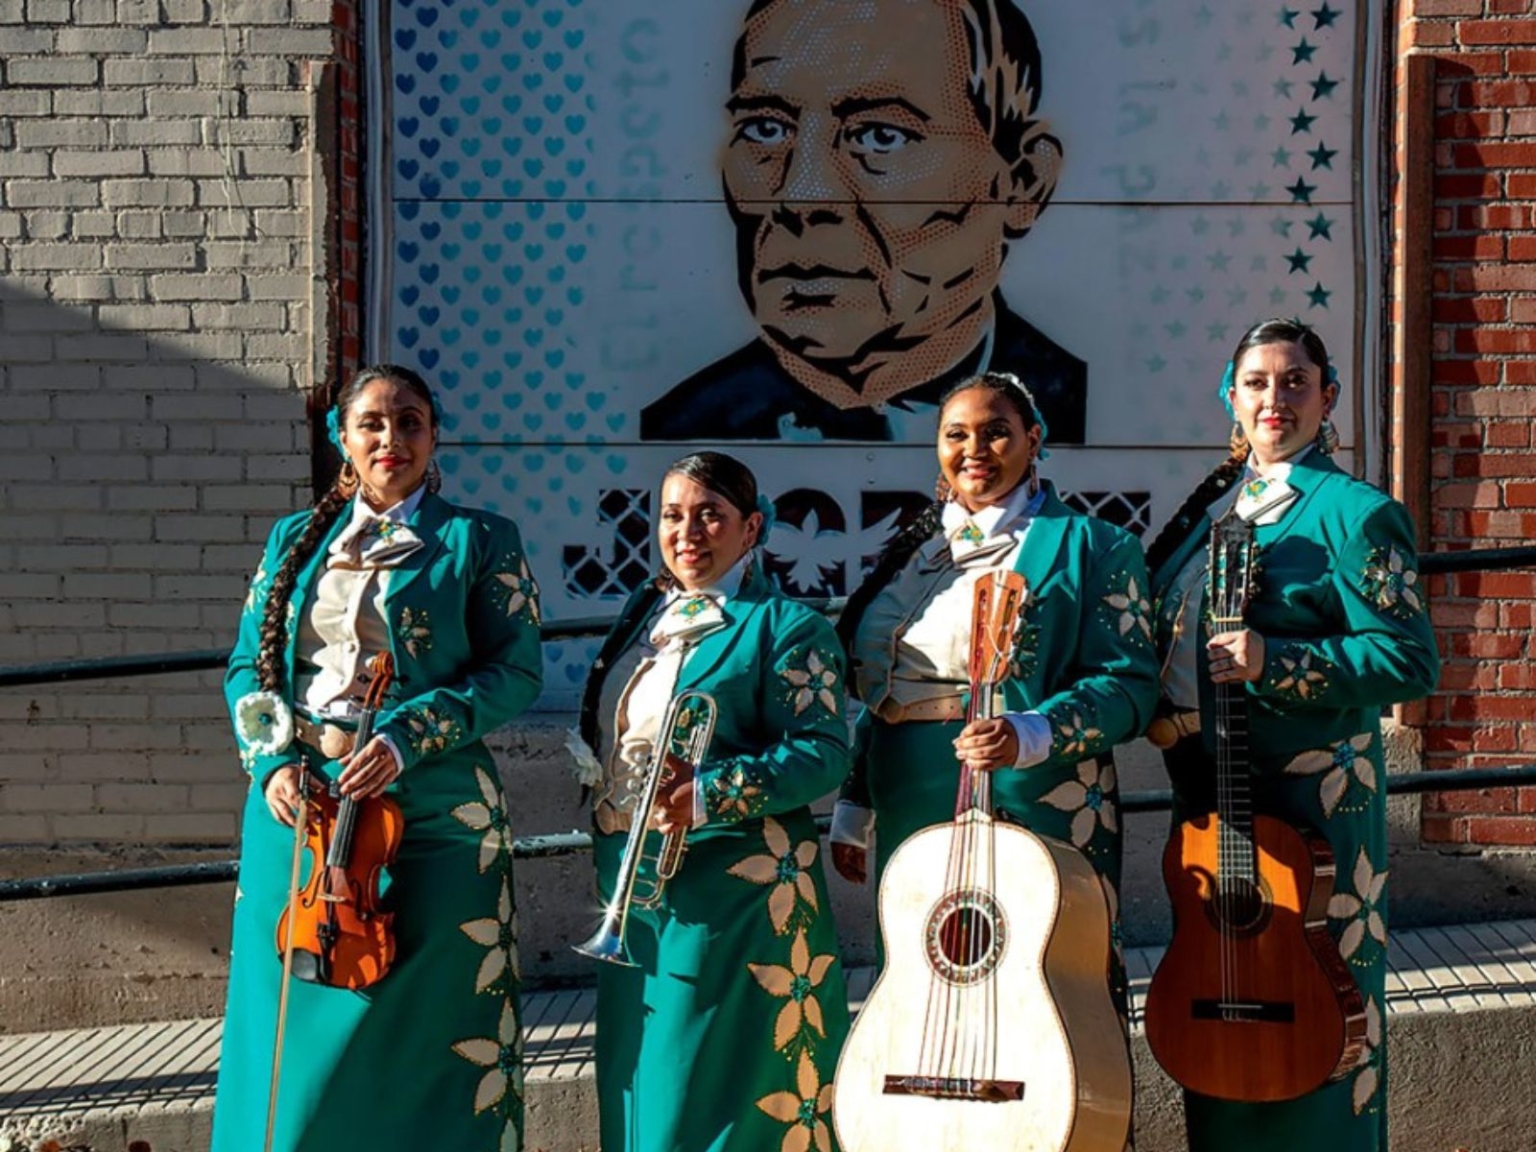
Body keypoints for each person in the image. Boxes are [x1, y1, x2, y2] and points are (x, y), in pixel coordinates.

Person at [213, 364, 543, 1152]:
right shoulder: (295, 539)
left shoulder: (480, 538)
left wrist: (407, 735)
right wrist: (272, 764)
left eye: (411, 422)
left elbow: (516, 670)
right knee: (291, 1036)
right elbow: (245, 671)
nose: (391, 439)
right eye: (373, 423)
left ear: (434, 437)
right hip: (298, 814)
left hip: (432, 817)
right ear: (343, 439)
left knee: (433, 1029)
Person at [1143, 318, 1440, 1151]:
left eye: (1296, 381)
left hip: (1313, 799)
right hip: (1206, 800)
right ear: (1230, 399)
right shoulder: (1210, 510)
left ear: (1328, 398)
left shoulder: (1355, 513)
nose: (1276, 398)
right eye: (1259, 382)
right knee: (1218, 1017)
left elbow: (1409, 662)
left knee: (1315, 1012)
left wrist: (1277, 658)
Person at [829, 372, 1158, 1023]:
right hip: (909, 797)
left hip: (1032, 794)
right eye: (957, 434)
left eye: (996, 431)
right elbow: (887, 690)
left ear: (1033, 440)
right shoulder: (913, 550)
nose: (974, 448)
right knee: (926, 987)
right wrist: (855, 800)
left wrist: (1033, 731)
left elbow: (1130, 686)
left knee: (1041, 996)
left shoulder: (1094, 546)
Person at [640, 0, 1086, 445]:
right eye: (766, 129)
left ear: (1022, 183)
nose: (801, 196)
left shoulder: (1074, 408)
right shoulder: (677, 433)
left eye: (881, 135)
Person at [571, 451, 851, 1152]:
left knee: (703, 1084)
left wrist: (707, 794)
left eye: (710, 515)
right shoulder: (648, 614)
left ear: (750, 527)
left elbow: (823, 750)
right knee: (640, 1076)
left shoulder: (787, 625)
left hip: (732, 894)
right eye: (672, 515)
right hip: (637, 893)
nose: (688, 530)